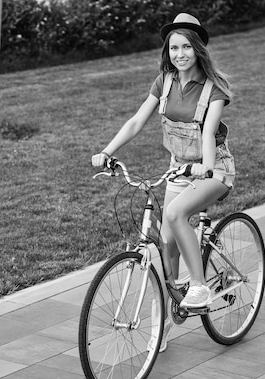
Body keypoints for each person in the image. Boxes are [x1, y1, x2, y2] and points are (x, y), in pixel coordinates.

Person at [91, 13, 235, 351]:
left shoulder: (214, 89)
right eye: (174, 47)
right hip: (178, 169)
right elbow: (137, 121)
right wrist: (106, 151)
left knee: (173, 215)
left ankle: (199, 285)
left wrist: (206, 168)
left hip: (214, 171)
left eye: (186, 46)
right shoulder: (165, 82)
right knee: (167, 243)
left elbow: (210, 133)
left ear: (198, 49)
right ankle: (172, 315)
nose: (180, 53)